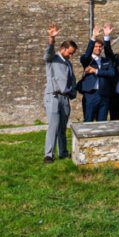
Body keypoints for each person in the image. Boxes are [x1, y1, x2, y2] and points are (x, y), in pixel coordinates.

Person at [42, 24, 77, 163]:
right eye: (69, 52)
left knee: (62, 127)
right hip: (53, 96)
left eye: (72, 53)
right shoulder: (53, 59)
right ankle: (48, 155)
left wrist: (72, 93)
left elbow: (71, 81)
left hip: (64, 98)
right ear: (62, 49)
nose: (71, 55)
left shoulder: (68, 64)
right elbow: (48, 52)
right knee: (53, 126)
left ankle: (63, 152)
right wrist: (51, 38)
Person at [77, 25, 116, 122]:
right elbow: (86, 54)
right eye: (96, 46)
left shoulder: (106, 61)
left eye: (100, 47)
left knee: (102, 121)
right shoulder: (87, 60)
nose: (98, 48)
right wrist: (93, 38)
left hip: (104, 94)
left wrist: (96, 71)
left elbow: (111, 73)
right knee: (88, 120)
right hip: (91, 94)